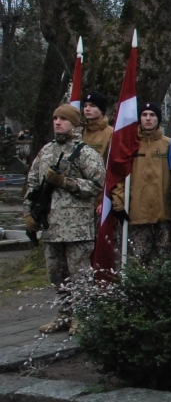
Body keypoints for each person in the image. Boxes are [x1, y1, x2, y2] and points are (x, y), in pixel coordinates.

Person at [24, 105, 105, 334]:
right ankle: (63, 313)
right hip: (52, 225)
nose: (58, 122)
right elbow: (32, 185)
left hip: (77, 227)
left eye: (63, 119)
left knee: (79, 275)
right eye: (55, 118)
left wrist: (66, 182)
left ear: (74, 123)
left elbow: (97, 185)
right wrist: (28, 213)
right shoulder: (45, 151)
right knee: (56, 274)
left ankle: (82, 315)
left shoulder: (86, 153)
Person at [111, 102, 171, 264]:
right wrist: (118, 204)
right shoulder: (129, 145)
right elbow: (118, 176)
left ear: (158, 119)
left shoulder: (169, 145)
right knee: (139, 261)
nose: (148, 118)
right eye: (144, 115)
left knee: (164, 260)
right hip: (137, 213)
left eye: (152, 115)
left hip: (164, 212)